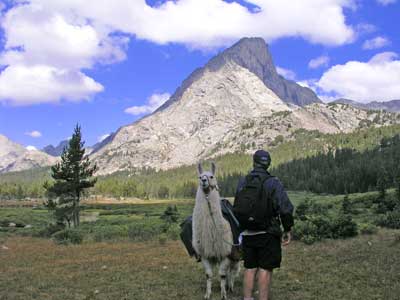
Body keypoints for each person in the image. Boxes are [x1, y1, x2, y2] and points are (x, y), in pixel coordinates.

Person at [234, 150, 294, 300]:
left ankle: (247, 298)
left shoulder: (243, 182)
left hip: (247, 233)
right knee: (265, 269)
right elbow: (285, 208)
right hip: (267, 233)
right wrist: (287, 229)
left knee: (249, 268)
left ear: (254, 162)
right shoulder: (273, 182)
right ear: (268, 164)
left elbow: (237, 206)